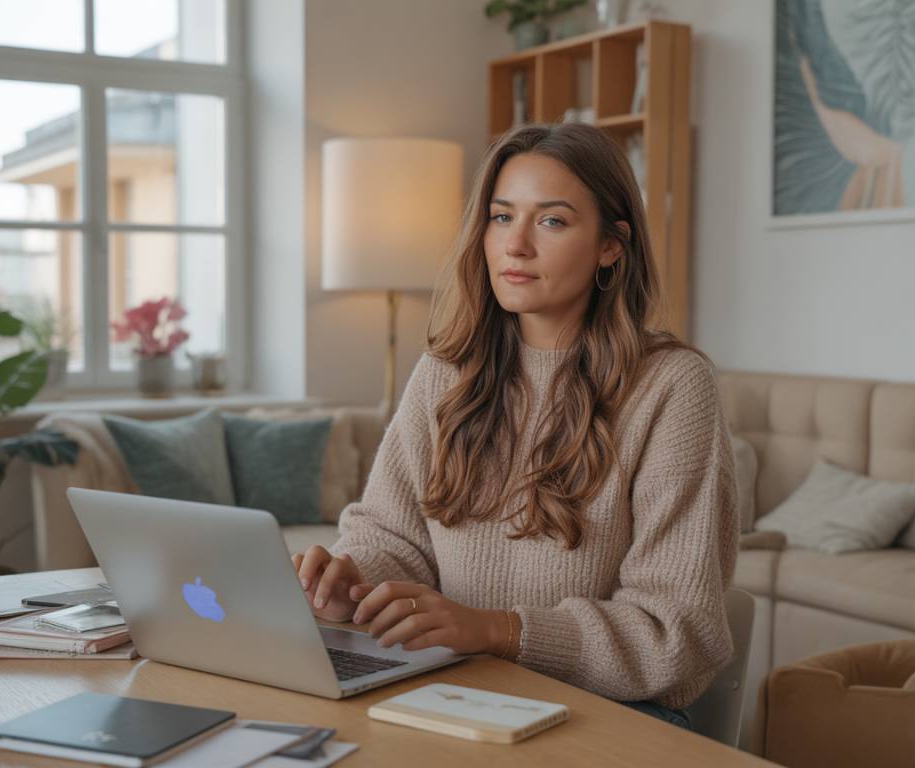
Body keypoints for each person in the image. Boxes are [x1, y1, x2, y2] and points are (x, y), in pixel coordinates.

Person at [293, 122, 738, 729]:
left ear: (612, 244)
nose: (516, 245)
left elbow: (677, 633)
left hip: (612, 715)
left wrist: (500, 631)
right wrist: (357, 582)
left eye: (551, 221)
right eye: (502, 217)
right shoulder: (445, 371)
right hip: (460, 689)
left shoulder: (671, 387)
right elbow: (393, 537)